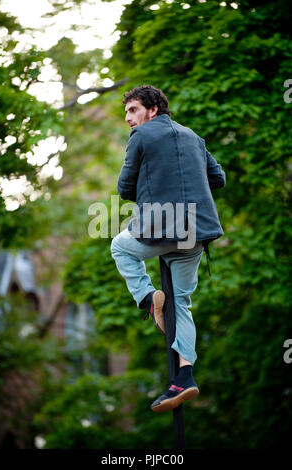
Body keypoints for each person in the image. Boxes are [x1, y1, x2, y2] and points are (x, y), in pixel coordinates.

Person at [110, 85, 226, 412]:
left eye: (133, 110)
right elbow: (219, 179)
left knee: (121, 247)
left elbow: (124, 188)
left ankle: (148, 299)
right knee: (183, 303)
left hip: (161, 228)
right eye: (126, 111)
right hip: (197, 231)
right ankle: (184, 378)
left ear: (153, 110)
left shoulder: (141, 138)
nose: (128, 117)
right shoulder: (194, 138)